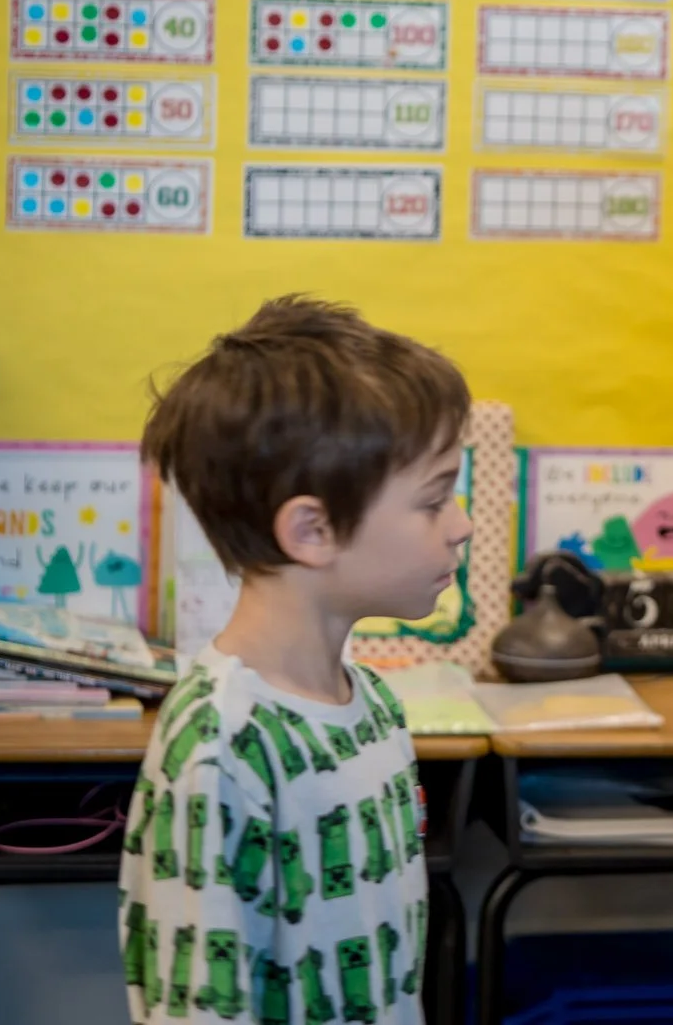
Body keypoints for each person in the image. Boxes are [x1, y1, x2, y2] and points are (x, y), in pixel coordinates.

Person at [121, 297, 474, 1025]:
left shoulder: (371, 702)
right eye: (436, 498)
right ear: (312, 529)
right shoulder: (220, 745)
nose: (464, 522)